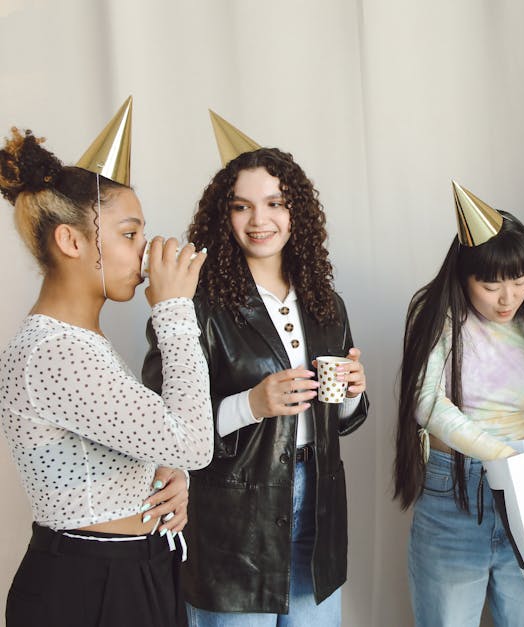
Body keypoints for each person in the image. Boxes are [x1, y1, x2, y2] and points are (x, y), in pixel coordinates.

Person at [143, 111, 369, 626]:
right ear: (224, 217)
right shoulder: (196, 303)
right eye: (242, 207)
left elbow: (345, 419)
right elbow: (159, 424)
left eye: (274, 204)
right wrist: (252, 404)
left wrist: (353, 391)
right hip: (232, 519)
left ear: (298, 214)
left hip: (319, 504)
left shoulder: (325, 303)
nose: (259, 220)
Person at [0, 100, 213, 627]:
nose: (145, 253)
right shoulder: (54, 351)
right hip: (89, 586)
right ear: (71, 240)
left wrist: (164, 477)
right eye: (129, 233)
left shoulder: (81, 342)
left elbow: (165, 442)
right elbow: (194, 441)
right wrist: (175, 311)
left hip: (131, 572)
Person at [393, 181, 524, 627]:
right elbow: (426, 404)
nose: (508, 296)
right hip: (456, 493)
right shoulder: (438, 317)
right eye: (491, 284)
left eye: (518, 280)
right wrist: (504, 457)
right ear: (464, 277)